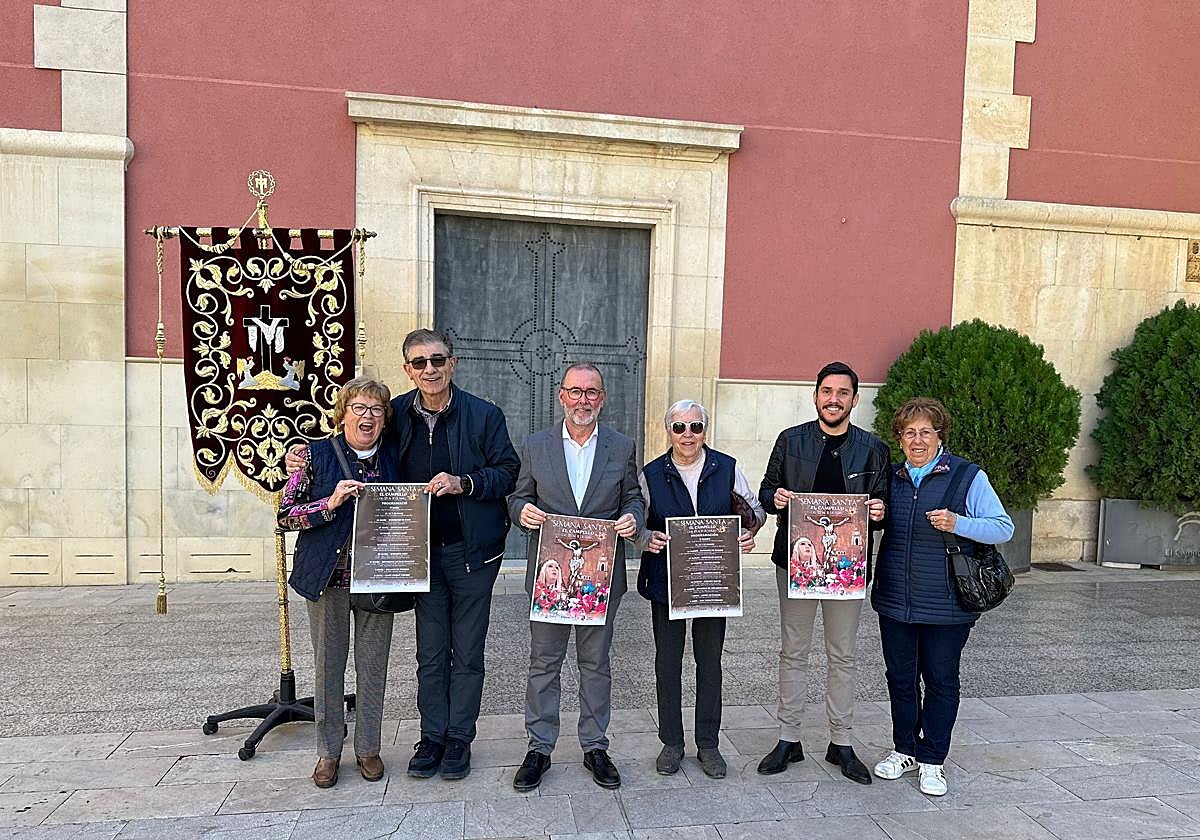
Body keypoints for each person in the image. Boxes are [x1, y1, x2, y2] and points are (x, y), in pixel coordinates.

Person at [286, 328, 520, 782]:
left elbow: (508, 471)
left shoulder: (485, 415)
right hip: (415, 558)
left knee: (467, 654)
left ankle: (458, 740)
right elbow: (351, 443)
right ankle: (430, 738)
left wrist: (464, 483)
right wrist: (302, 456)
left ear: (453, 363)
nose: (429, 369)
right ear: (407, 369)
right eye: (419, 363)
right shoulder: (397, 414)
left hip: (473, 554)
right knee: (430, 655)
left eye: (437, 360)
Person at [508, 363, 644, 792]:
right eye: (575, 391)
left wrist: (631, 519)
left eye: (591, 392)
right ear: (561, 396)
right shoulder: (537, 444)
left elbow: (634, 497)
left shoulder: (621, 446)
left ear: (602, 398)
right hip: (550, 576)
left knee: (595, 663)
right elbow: (518, 496)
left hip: (600, 578)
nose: (583, 399)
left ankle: (595, 746)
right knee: (544, 663)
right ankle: (539, 747)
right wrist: (521, 513)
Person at [870, 397, 1013, 797]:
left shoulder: (967, 476)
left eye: (926, 432)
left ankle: (932, 758)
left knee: (940, 680)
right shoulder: (893, 476)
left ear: (939, 436)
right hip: (895, 599)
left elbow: (1003, 528)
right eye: (909, 433)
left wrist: (959, 523)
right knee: (899, 678)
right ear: (899, 439)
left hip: (948, 603)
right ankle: (904, 749)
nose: (917, 440)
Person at [757, 361, 890, 784]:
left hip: (846, 569)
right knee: (793, 651)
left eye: (843, 392)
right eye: (826, 391)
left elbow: (884, 506)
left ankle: (841, 742)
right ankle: (788, 739)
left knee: (843, 656)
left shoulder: (873, 449)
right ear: (815, 395)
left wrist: (879, 511)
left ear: (855, 398)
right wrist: (775, 497)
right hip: (795, 564)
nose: (834, 399)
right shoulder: (790, 440)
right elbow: (765, 492)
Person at [279, 376, 399, 789]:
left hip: (379, 578)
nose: (367, 417)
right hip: (327, 579)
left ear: (385, 418)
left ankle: (368, 747)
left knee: (373, 667)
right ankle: (328, 752)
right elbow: (285, 515)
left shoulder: (396, 458)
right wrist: (328, 505)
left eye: (376, 409)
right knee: (328, 667)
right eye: (359, 408)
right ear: (343, 412)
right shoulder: (313, 456)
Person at [636, 399, 765, 778]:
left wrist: (746, 534)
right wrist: (646, 538)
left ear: (705, 430)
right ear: (669, 432)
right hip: (666, 581)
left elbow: (754, 512)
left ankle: (708, 744)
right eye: (679, 428)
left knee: (709, 663)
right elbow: (635, 520)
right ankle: (672, 743)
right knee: (667, 662)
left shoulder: (725, 468)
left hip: (713, 581)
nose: (687, 435)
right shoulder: (651, 473)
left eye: (695, 427)